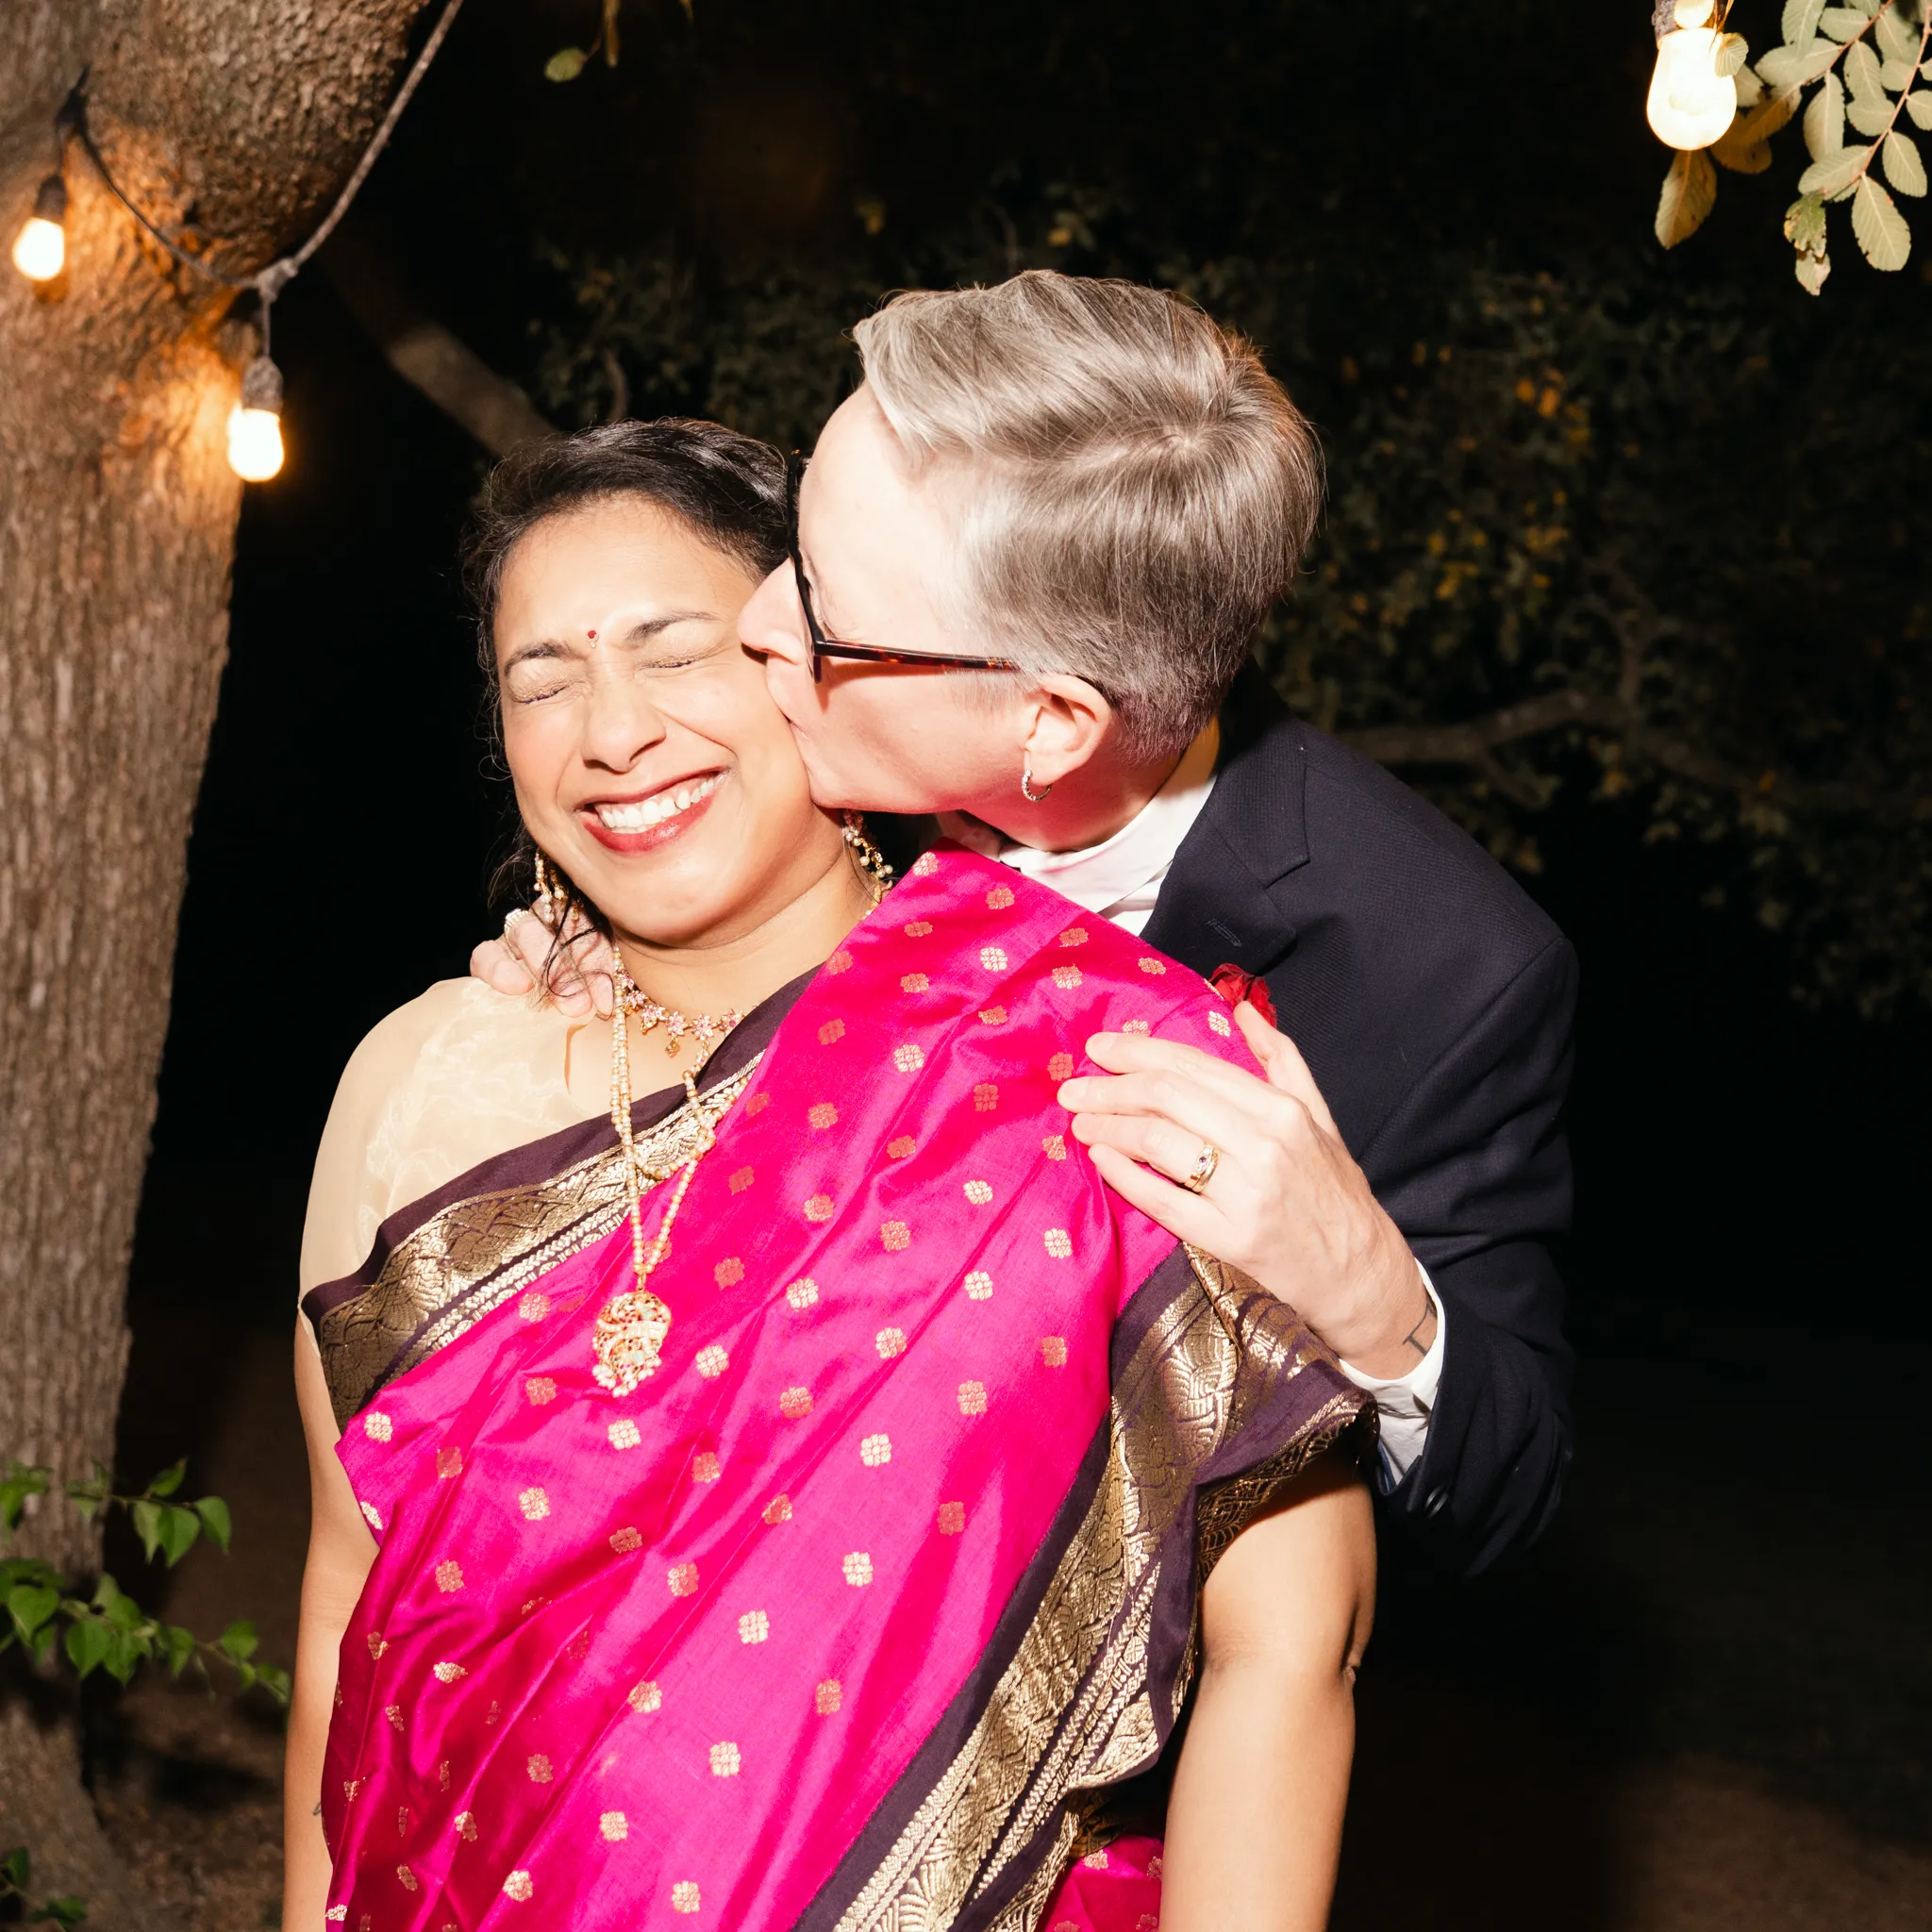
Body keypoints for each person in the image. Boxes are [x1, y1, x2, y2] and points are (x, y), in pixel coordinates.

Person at [288, 420, 1375, 1932]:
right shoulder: (418, 1084)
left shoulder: (1099, 1056)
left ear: (813, 668)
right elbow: (356, 1598)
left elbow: (1293, 1637)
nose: (611, 731)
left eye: (676, 650)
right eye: (543, 678)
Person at [476, 272, 1576, 1575]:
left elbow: (1514, 1486)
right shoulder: (843, 685)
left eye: (820, 605)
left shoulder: (1440, 968)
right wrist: (621, 974)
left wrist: (1371, 1296)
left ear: (1051, 722)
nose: (757, 627)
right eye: (795, 557)